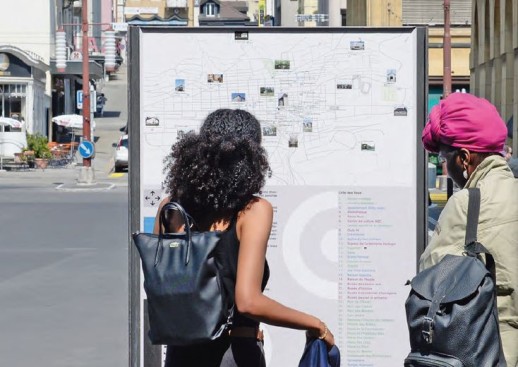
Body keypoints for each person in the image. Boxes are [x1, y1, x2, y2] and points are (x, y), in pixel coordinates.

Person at [153, 109, 334, 367]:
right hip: (233, 353)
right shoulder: (252, 211)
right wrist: (316, 325)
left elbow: (164, 288)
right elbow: (248, 302)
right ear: (251, 158)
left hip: (179, 354)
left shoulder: (170, 209)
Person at [420, 92, 518, 366]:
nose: (444, 165)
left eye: (443, 157)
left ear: (464, 159)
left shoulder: (466, 204)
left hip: (493, 353)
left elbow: (431, 280)